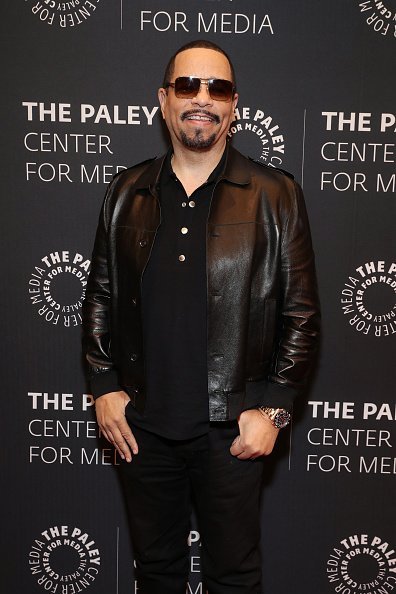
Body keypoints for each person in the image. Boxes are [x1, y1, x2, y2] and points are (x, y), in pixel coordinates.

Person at [82, 39, 320, 594]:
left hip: (232, 428)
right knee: (156, 572)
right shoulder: (126, 191)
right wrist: (103, 385)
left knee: (234, 577)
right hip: (141, 427)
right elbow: (99, 296)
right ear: (163, 100)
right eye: (187, 86)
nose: (202, 99)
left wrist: (276, 410)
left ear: (234, 105)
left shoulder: (275, 194)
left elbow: (302, 313)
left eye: (218, 88)